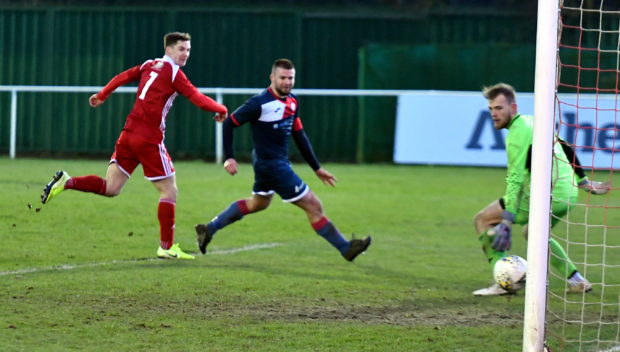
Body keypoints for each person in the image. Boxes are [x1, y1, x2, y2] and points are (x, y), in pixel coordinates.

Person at [41, 32, 228, 260]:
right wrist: (220, 109)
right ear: (169, 49)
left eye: (188, 50)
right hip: (148, 138)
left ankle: (67, 182)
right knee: (169, 191)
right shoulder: (174, 73)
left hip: (128, 134)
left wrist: (102, 94)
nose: (186, 54)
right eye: (181, 49)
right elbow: (196, 97)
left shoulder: (150, 64)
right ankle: (166, 247)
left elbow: (123, 76)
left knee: (111, 187)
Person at [195, 58, 371, 262]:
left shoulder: (292, 101)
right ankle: (345, 248)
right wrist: (229, 158)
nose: (287, 82)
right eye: (283, 78)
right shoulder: (258, 103)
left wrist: (317, 168)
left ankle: (209, 229)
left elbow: (299, 135)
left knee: (258, 203)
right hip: (272, 166)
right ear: (272, 78)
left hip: (268, 163)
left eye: (291, 78)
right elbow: (229, 124)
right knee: (314, 206)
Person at [472, 83, 610, 296]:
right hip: (568, 194)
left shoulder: (517, 133)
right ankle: (577, 280)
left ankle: (504, 281)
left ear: (513, 108)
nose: (494, 113)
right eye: (491, 109)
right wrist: (583, 182)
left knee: (483, 220)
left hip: (548, 193)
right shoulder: (534, 121)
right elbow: (565, 146)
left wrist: (507, 220)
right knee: (533, 233)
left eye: (499, 108)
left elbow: (515, 180)